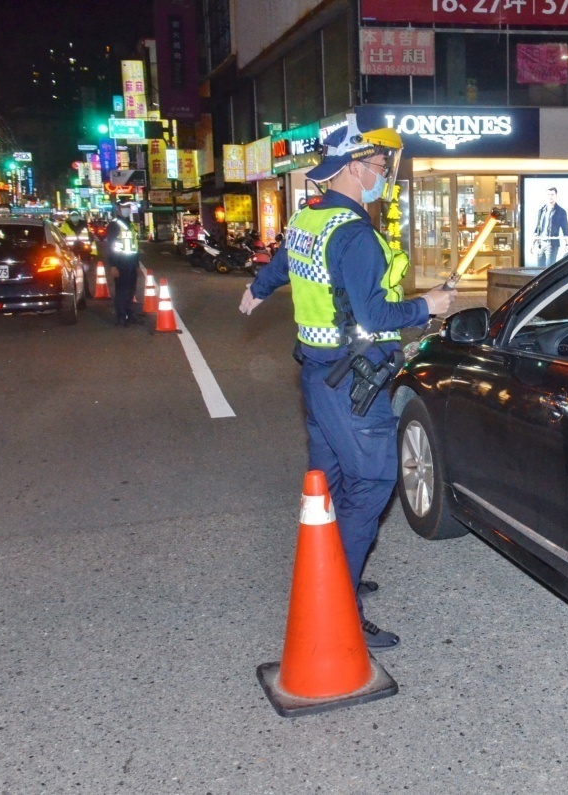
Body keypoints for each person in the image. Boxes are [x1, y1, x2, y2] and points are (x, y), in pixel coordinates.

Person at [238, 117, 457, 649]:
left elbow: (287, 258)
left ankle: (335, 573)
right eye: (381, 165)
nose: (385, 174)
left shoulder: (311, 218)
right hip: (354, 383)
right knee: (373, 484)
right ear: (356, 167)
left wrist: (257, 289)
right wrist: (428, 305)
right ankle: (341, 603)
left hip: (318, 379)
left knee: (332, 486)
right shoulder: (355, 234)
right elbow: (376, 312)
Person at [104, 202, 142, 327]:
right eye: (124, 207)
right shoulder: (115, 225)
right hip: (120, 262)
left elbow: (134, 246)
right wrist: (113, 265)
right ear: (119, 209)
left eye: (128, 207)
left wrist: (137, 265)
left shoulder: (130, 225)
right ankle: (121, 317)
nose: (127, 209)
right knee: (122, 291)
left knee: (131, 290)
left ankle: (129, 314)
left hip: (131, 261)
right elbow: (111, 246)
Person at [532, 187, 568, 268]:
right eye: (549, 194)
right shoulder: (541, 210)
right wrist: (533, 243)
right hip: (540, 243)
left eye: (552, 194)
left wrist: (567, 244)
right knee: (539, 269)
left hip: (552, 244)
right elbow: (537, 228)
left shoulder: (561, 211)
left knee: (549, 269)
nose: (550, 197)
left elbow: (565, 229)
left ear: (556, 196)